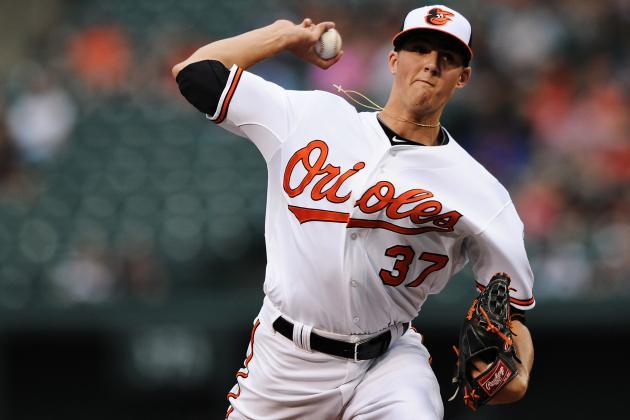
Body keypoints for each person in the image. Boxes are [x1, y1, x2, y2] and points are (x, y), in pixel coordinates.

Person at [172, 5, 534, 419]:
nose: (431, 64)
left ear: (463, 77)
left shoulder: (481, 193)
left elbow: (513, 312)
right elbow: (195, 72)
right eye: (420, 49)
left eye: (448, 58)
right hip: (284, 361)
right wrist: (283, 36)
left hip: (388, 363)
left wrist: (518, 373)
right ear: (394, 60)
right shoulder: (311, 117)